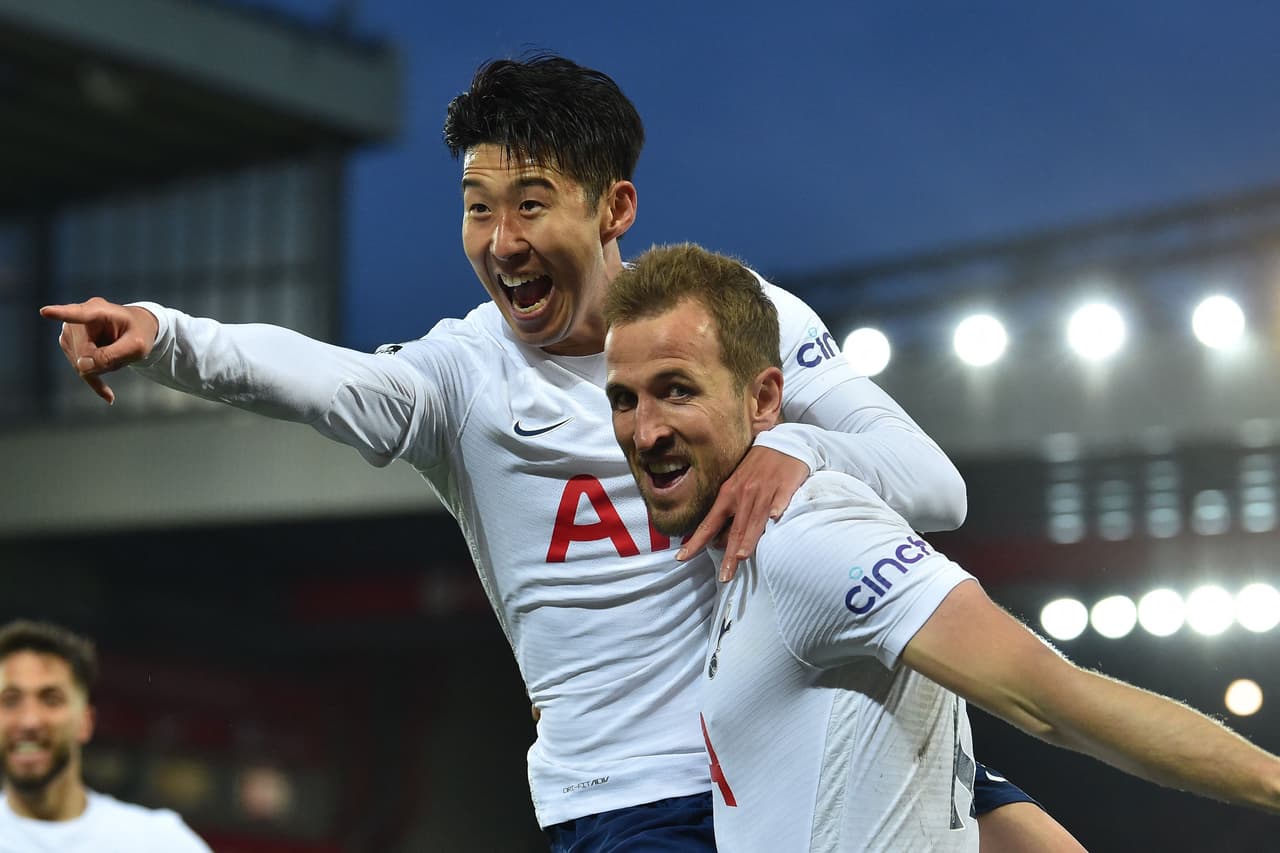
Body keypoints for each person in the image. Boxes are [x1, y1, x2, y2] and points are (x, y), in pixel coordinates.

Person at [40, 54, 1076, 851]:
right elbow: (324, 378)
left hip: (809, 741)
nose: (501, 240)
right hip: (641, 795)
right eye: (477, 208)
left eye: (530, 203)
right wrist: (167, 335)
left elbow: (933, 485)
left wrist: (797, 448)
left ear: (613, 207)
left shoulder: (738, 319)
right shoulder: (463, 378)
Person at [601, 242, 1280, 851]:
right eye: (624, 400)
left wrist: (1271, 781)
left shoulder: (806, 534)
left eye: (677, 391)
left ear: (764, 398)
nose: (645, 430)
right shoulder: (745, 560)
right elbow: (952, 794)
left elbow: (1050, 699)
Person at [0, 619, 213, 852]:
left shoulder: (159, 842)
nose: (29, 721)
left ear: (86, 722)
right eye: (10, 700)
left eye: (51, 699)